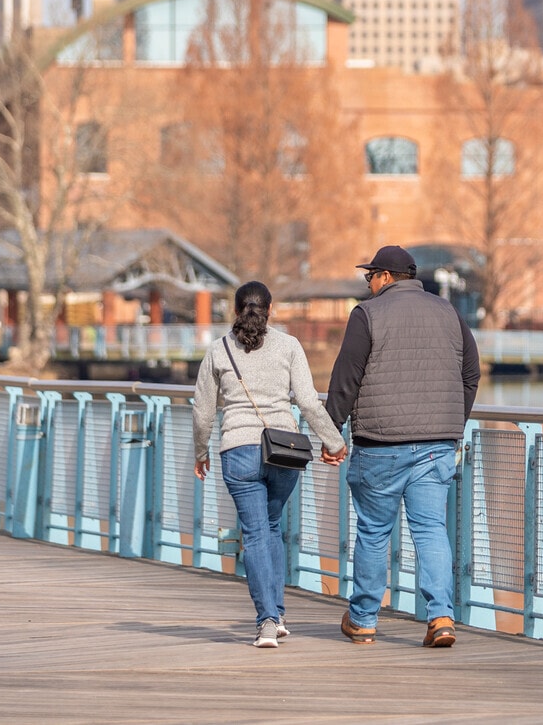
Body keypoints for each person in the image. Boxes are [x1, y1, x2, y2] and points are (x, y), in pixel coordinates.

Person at [324, 245, 480, 649]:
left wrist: (330, 432)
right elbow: (471, 373)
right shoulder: (448, 312)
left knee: (374, 532)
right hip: (435, 447)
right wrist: (451, 423)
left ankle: (363, 620)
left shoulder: (367, 314)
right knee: (430, 530)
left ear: (386, 277)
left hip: (380, 444)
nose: (368, 285)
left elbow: (346, 378)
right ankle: (441, 617)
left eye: (370, 277)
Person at [192, 281, 345, 649]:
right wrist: (334, 441)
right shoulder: (289, 346)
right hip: (283, 452)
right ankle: (277, 615)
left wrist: (200, 452)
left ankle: (268, 621)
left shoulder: (218, 350)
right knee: (271, 527)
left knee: (256, 533)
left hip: (238, 451)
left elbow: (202, 411)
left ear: (235, 310)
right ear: (270, 309)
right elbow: (308, 402)